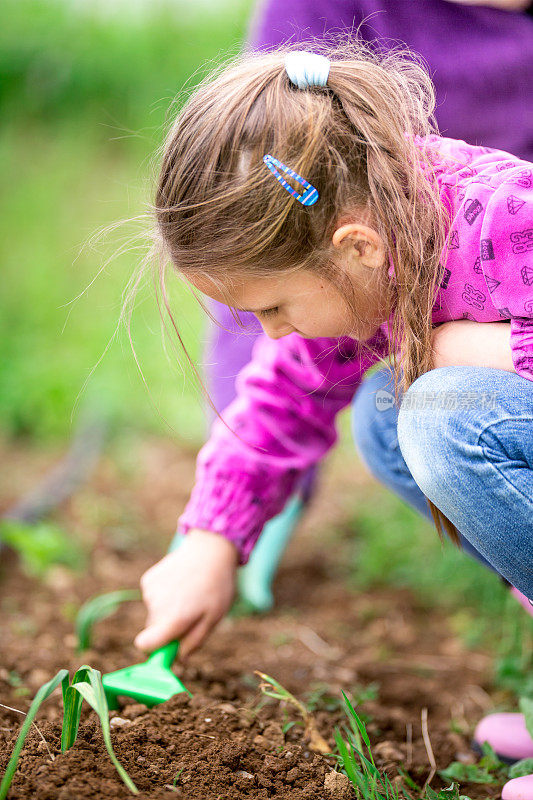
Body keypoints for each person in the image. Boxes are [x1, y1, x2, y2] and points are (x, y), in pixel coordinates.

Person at [135, 45, 533, 799]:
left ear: (356, 248)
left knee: (440, 417)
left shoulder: (505, 221)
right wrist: (210, 542)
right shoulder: (372, 246)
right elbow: (281, 402)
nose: (275, 333)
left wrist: (467, 347)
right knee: (390, 420)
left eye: (273, 309)